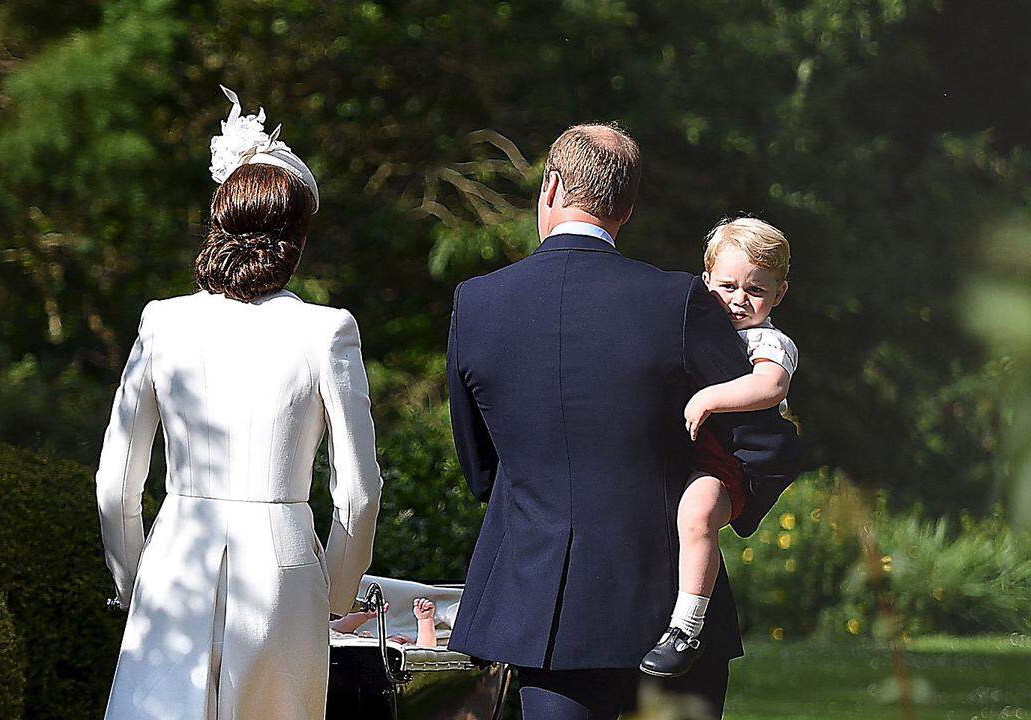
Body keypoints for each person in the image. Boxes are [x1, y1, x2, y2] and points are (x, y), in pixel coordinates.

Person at [445, 123, 800, 719]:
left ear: (551, 188)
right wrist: (719, 502)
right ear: (627, 209)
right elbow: (766, 442)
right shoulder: (680, 301)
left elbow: (480, 469)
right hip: (670, 606)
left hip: (541, 613)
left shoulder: (476, 304)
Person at [95, 87, 383, 720]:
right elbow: (359, 492)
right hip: (282, 578)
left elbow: (116, 485)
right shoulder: (326, 331)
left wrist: (134, 583)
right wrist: (333, 595)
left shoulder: (162, 323)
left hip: (175, 564)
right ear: (297, 241)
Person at [640, 217, 798, 677]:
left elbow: (768, 386)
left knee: (698, 511)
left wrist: (709, 397)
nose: (737, 300)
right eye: (727, 285)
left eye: (756, 291)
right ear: (706, 280)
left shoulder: (767, 340)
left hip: (733, 457)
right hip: (691, 453)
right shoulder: (694, 331)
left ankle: (686, 629)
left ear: (779, 295)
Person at [330, 598, 440, 647]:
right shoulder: (362, 639)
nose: (399, 637)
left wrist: (425, 621)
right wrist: (365, 614)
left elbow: (424, 654)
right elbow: (337, 633)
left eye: (404, 641)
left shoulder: (400, 653)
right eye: (401, 639)